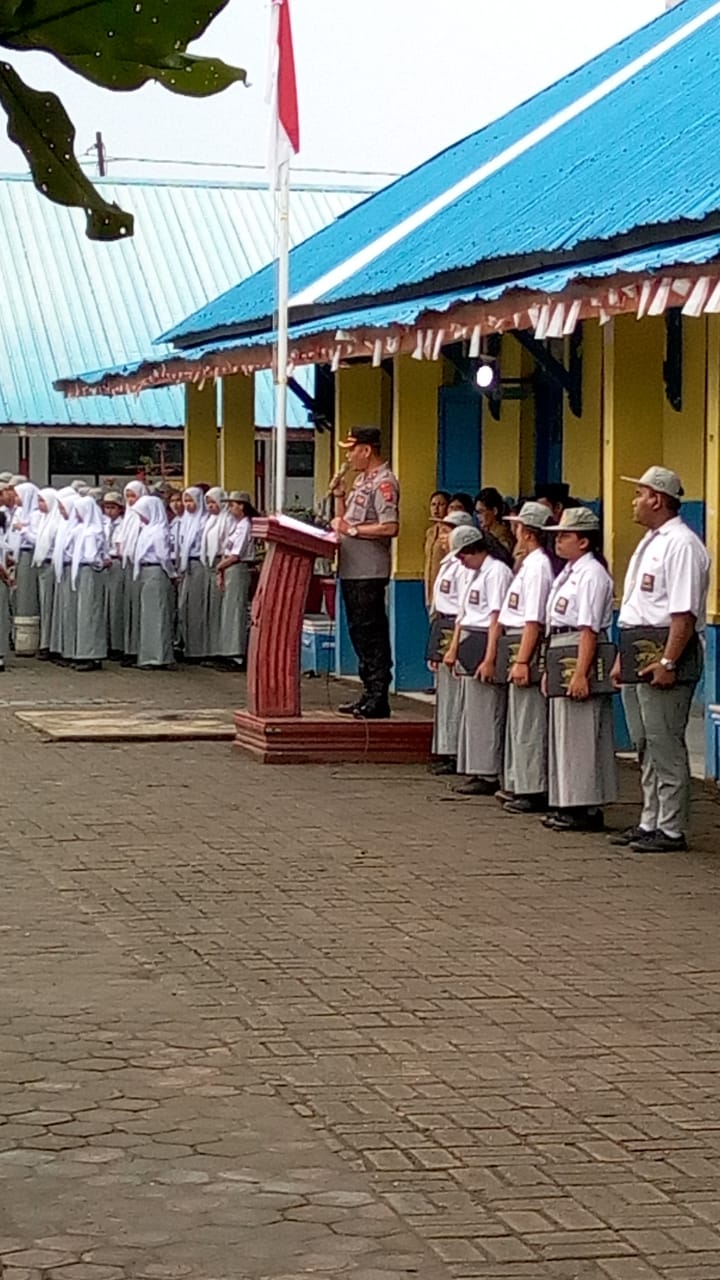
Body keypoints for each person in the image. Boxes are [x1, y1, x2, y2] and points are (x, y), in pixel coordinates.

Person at [611, 466, 710, 853]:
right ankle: (650, 818)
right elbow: (637, 607)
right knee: (644, 742)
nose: (634, 502)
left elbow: (682, 613)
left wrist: (668, 662)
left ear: (657, 498)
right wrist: (624, 656)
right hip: (639, 648)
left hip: (664, 652)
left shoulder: (681, 544)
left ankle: (671, 827)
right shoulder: (652, 541)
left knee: (665, 741)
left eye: (639, 494)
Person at [543, 508, 617, 832]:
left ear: (584, 541)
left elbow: (587, 627)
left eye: (565, 535)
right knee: (564, 732)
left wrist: (580, 672)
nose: (558, 540)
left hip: (579, 647)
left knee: (582, 733)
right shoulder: (569, 572)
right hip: (562, 646)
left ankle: (585, 805)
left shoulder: (592, 575)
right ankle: (568, 800)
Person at [331, 426, 399, 719]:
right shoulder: (361, 481)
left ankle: (378, 695)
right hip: (351, 567)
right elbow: (344, 520)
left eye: (352, 449)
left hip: (369, 570)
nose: (348, 455)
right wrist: (339, 496)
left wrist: (353, 530)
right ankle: (367, 691)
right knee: (359, 633)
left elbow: (390, 526)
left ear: (366, 450)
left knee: (372, 634)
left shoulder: (384, 482)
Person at [445, 525, 514, 795]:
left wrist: (490, 657)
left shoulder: (496, 572)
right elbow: (464, 614)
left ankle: (488, 771)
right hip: (470, 639)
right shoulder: (475, 573)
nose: (461, 561)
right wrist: (453, 649)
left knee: (488, 711)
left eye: (463, 555)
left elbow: (496, 616)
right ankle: (476, 766)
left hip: (485, 638)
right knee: (473, 712)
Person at [499, 500, 554, 813]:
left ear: (528, 531)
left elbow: (533, 618)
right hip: (517, 640)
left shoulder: (538, 567)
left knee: (530, 720)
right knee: (520, 719)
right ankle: (521, 781)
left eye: (518, 525)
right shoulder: (530, 563)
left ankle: (532, 787)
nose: (514, 530)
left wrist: (522, 659)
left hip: (525, 642)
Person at [426, 510, 474, 774]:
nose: (442, 537)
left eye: (447, 531)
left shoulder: (463, 567)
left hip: (456, 627)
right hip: (443, 624)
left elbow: (462, 606)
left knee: (456, 695)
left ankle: (455, 750)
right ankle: (445, 747)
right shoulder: (448, 562)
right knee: (445, 693)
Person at [65, 493, 108, 671]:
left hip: (88, 571)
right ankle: (84, 652)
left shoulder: (91, 531)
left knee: (89, 612)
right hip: (84, 571)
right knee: (86, 612)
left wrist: (99, 562)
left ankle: (90, 654)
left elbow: (90, 556)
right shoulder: (84, 530)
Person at [132, 495, 175, 669]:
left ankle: (158, 657)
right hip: (147, 571)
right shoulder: (148, 529)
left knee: (157, 615)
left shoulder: (159, 531)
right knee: (149, 615)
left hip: (156, 571)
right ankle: (148, 655)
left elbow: (163, 556)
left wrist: (171, 574)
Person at [215, 491, 257, 669]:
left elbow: (236, 554)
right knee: (229, 610)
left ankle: (236, 654)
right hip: (229, 568)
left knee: (235, 611)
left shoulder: (245, 525)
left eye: (232, 505)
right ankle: (228, 651)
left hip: (237, 568)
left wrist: (219, 567)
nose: (230, 508)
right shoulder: (236, 524)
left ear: (241, 506)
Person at [177, 486, 208, 661]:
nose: (188, 505)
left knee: (196, 607)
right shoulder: (185, 521)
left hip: (198, 564)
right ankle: (186, 644)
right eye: (186, 501)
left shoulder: (204, 521)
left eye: (191, 501)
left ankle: (197, 649)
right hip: (185, 565)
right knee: (184, 606)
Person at [119, 480, 147, 666]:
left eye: (133, 496)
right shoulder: (128, 517)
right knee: (129, 608)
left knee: (138, 608)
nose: (130, 500)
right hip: (128, 564)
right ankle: (129, 647)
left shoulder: (144, 518)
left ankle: (139, 648)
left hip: (140, 566)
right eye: (127, 496)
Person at [32, 488, 63, 660]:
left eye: (42, 501)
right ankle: (45, 642)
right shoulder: (44, 520)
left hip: (51, 565)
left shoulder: (55, 522)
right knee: (44, 606)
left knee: (51, 606)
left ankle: (50, 644)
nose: (39, 505)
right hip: (43, 565)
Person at [9, 480, 41, 635]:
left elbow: (37, 538)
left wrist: (23, 530)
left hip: (29, 554)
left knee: (27, 594)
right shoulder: (19, 512)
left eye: (17, 495)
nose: (15, 499)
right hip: (17, 555)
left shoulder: (36, 515)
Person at [103, 491, 125, 659]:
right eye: (107, 507)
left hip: (116, 563)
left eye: (113, 507)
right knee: (105, 604)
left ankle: (117, 643)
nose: (109, 511)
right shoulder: (102, 524)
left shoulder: (123, 524)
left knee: (116, 603)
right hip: (103, 564)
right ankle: (106, 641)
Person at [423, 490, 450, 608]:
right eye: (433, 505)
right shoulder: (430, 532)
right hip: (429, 587)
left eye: (441, 504)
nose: (436, 509)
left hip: (445, 588)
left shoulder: (450, 532)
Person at [475, 487, 514, 554]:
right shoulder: (485, 532)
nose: (478, 516)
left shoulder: (503, 535)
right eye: (477, 512)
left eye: (482, 511)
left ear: (494, 511)